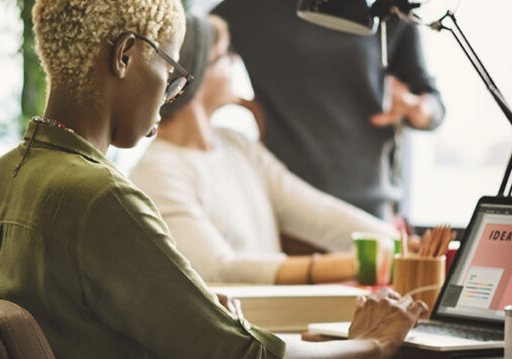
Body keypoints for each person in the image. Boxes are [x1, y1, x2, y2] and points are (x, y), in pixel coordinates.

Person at [0, 0, 425, 359]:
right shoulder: (102, 198)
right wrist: (371, 344)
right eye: (169, 71)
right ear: (125, 56)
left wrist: (201, 317)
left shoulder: (2, 176)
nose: (171, 94)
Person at [131, 14, 399, 284]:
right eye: (225, 55)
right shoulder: (156, 172)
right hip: (236, 323)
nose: (235, 62)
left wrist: (395, 242)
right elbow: (221, 268)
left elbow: (315, 212)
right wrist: (356, 263)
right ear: (195, 78)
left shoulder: (236, 144)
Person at [212, 0, 445, 219]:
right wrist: (238, 103)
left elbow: (434, 106)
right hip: (288, 206)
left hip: (368, 205)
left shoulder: (389, 6)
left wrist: (418, 109)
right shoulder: (254, 3)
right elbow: (193, 50)